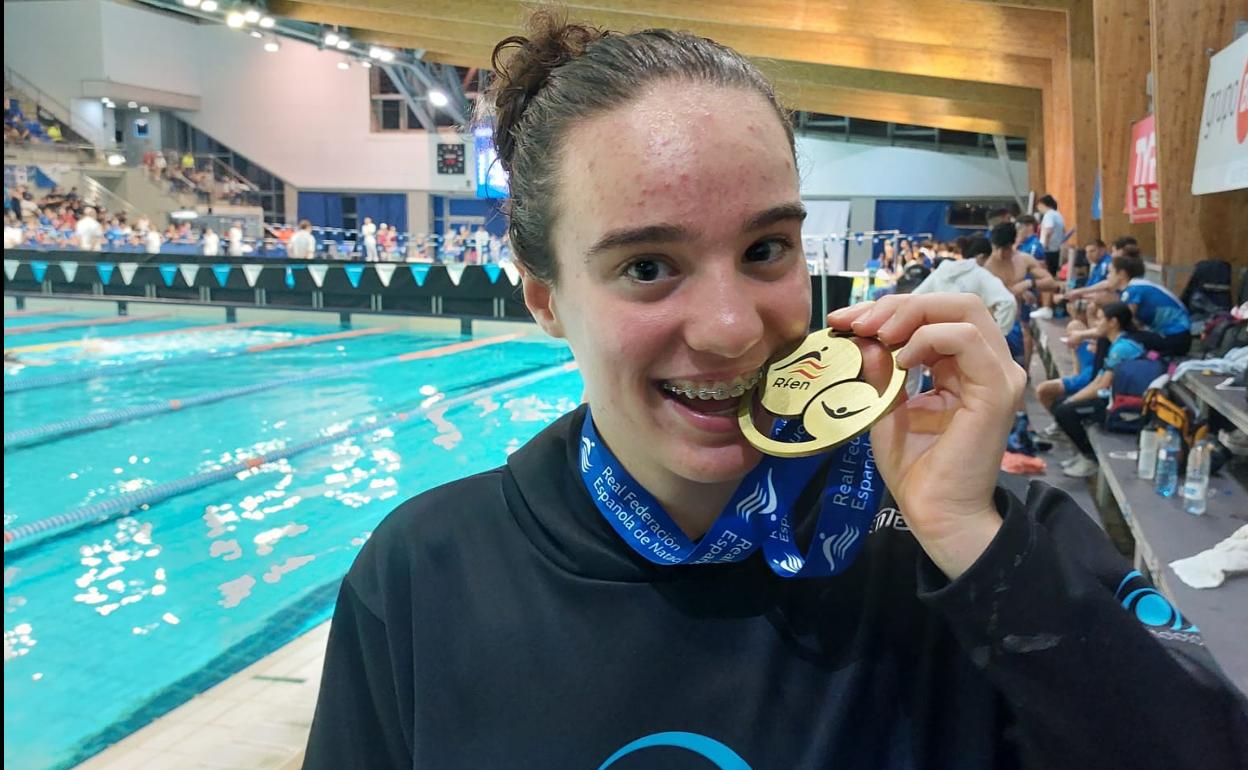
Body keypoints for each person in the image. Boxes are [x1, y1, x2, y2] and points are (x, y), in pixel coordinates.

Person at [304, 16, 1248, 769]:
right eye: (647, 266)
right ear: (546, 298)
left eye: (765, 250)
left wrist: (974, 550)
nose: (730, 326)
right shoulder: (424, 579)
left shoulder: (987, 542)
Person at [982, 221, 1060, 454]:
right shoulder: (985, 265)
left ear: (1011, 246)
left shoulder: (1022, 260)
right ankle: (1012, 428)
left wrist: (1027, 283)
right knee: (999, 380)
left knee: (1016, 378)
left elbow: (1051, 282)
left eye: (1003, 249)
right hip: (989, 326)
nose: (999, 254)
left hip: (1012, 327)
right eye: (995, 249)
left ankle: (1022, 428)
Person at [1051, 302, 1146, 478]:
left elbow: (1102, 386)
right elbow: (1098, 380)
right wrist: (1072, 399)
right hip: (1110, 397)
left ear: (1113, 322)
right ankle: (1082, 454)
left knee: (1065, 411)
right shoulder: (1116, 344)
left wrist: (1072, 401)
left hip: (1121, 406)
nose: (1096, 324)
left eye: (1101, 319)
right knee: (1060, 403)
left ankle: (1090, 459)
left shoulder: (1122, 348)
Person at [912, 236, 1017, 336]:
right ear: (982, 257)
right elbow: (1008, 302)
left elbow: (914, 298)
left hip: (933, 335)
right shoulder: (980, 275)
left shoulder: (942, 270)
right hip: (965, 339)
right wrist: (998, 335)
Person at [1111, 253, 1192, 356]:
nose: (1107, 276)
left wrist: (1087, 333)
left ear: (1121, 274)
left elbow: (1122, 322)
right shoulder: (1137, 286)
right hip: (1175, 336)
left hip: (1175, 337)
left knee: (1121, 339)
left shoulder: (1134, 290)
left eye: (1110, 272)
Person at [1036, 194, 1066, 277]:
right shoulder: (1058, 215)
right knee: (1052, 274)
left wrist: (1044, 246)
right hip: (1056, 249)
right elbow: (1063, 231)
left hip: (1047, 249)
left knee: (1046, 275)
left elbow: (1049, 230)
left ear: (1042, 204)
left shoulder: (1049, 215)